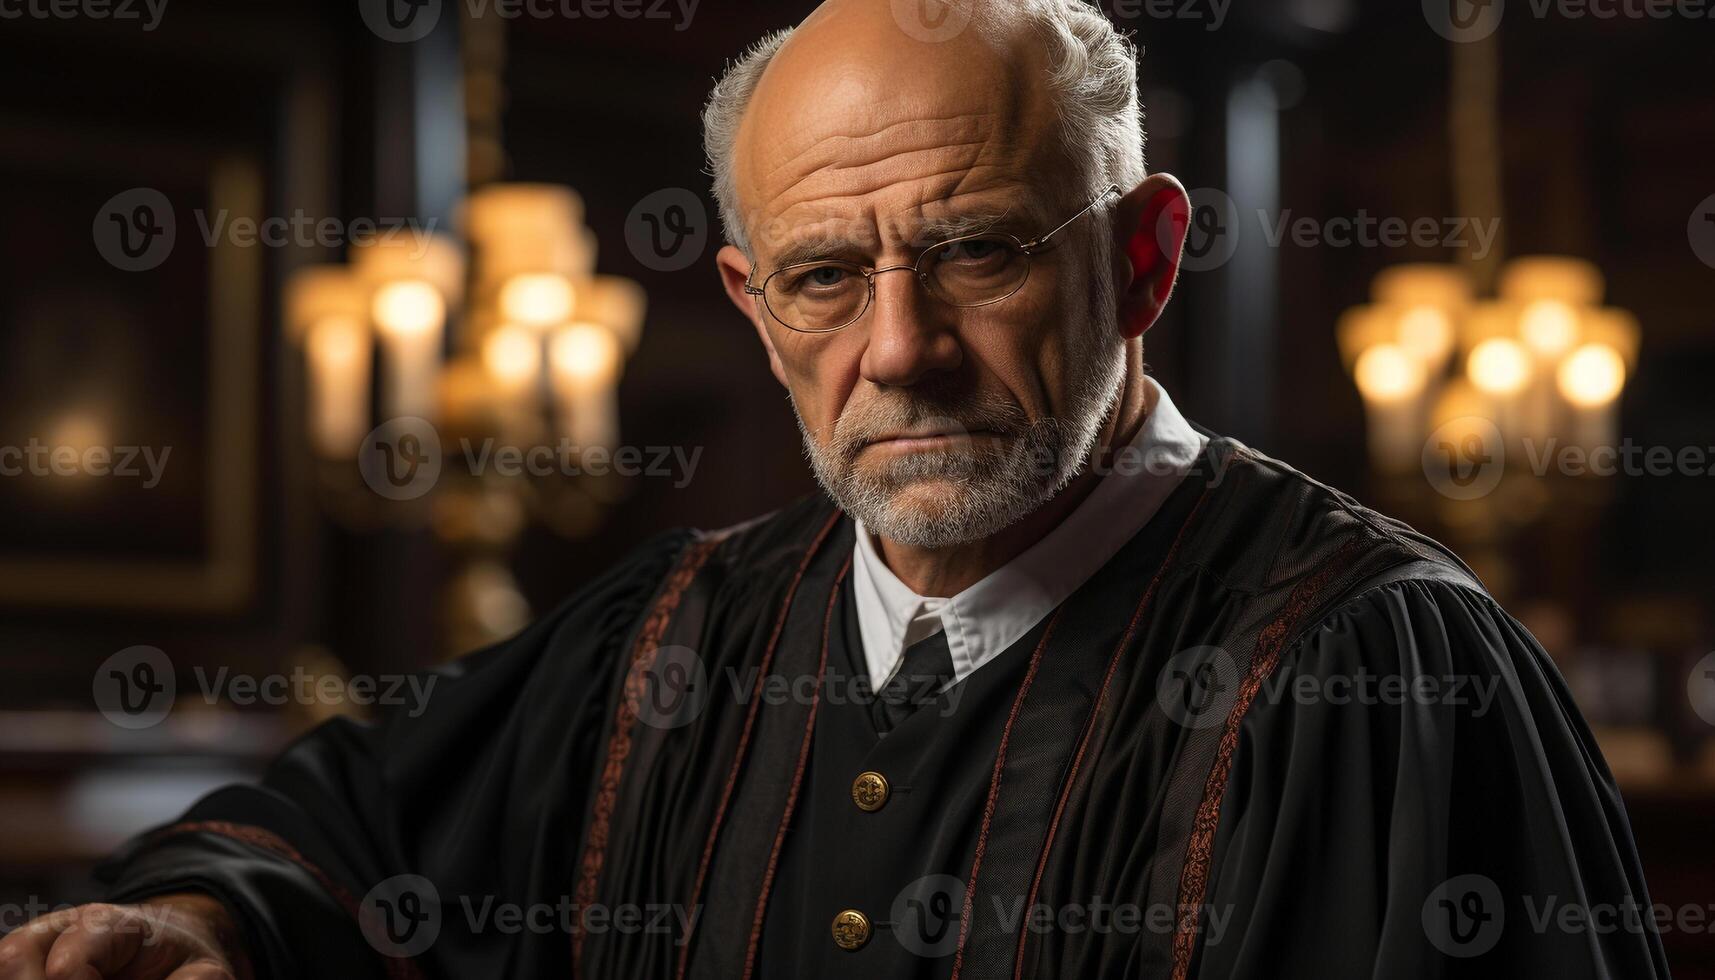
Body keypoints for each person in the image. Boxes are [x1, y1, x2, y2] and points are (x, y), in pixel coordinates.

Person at [0, 1, 1669, 978]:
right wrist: (208, 925)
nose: (900, 348)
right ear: (746, 301)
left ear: (1147, 258)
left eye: (977, 251)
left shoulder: (1383, 673)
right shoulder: (672, 634)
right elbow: (347, 832)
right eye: (822, 276)